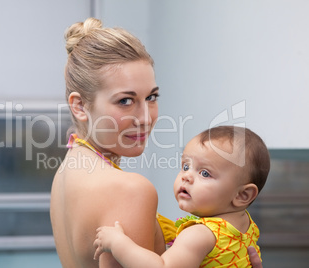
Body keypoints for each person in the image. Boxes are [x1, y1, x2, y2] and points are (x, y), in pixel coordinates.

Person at [50, 17, 263, 268]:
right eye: (125, 101)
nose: (145, 117)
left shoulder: (65, 174)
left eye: (151, 97)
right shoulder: (131, 190)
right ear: (80, 106)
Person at [93, 126, 270, 268]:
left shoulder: (199, 234)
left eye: (205, 173)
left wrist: (118, 243)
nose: (186, 176)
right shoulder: (245, 225)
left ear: (242, 195)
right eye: (185, 166)